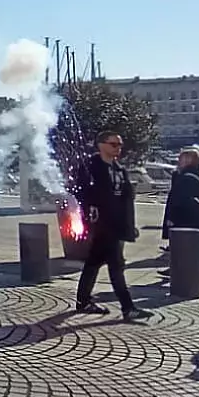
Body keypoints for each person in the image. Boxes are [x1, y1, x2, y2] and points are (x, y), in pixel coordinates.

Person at [73, 131, 145, 321]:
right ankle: (127, 307)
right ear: (101, 145)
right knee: (116, 265)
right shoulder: (91, 166)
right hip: (101, 223)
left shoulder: (119, 169)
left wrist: (130, 225)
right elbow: (79, 191)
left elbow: (126, 200)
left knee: (94, 262)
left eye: (120, 145)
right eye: (114, 144)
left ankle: (83, 301)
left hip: (116, 223)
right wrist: (90, 207)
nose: (118, 148)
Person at [163, 149, 199, 286]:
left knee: (190, 244)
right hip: (195, 214)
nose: (178, 161)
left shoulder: (186, 177)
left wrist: (172, 216)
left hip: (185, 215)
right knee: (193, 244)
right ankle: (178, 269)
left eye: (181, 158)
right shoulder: (198, 175)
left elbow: (180, 197)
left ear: (188, 160)